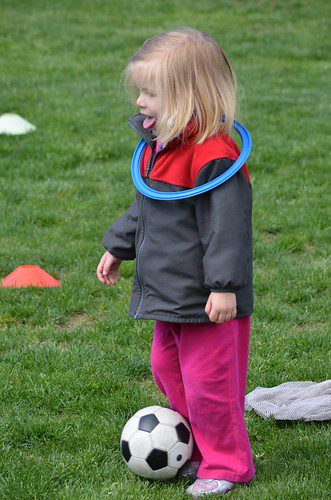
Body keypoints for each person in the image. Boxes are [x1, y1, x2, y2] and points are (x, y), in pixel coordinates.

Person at [97, 27, 255, 497]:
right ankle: (196, 447)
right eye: (140, 90)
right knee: (167, 369)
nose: (140, 101)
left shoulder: (213, 156)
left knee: (211, 384)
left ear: (188, 96)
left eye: (150, 92)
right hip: (169, 291)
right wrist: (118, 246)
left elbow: (227, 228)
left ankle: (227, 464)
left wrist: (224, 285)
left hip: (208, 297)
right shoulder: (162, 144)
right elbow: (147, 205)